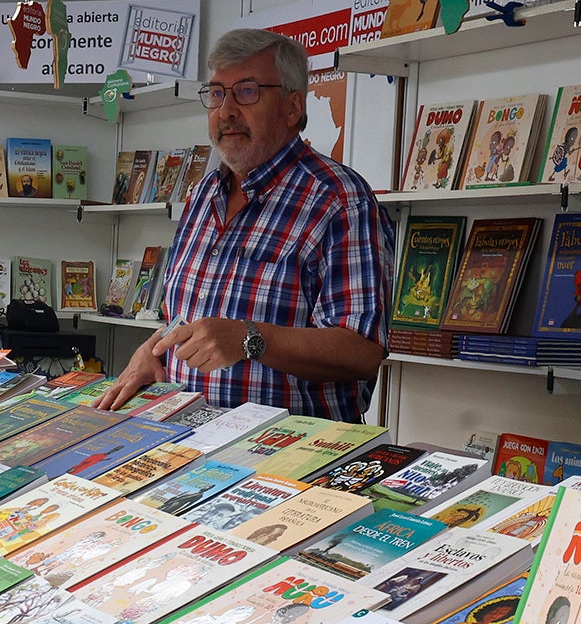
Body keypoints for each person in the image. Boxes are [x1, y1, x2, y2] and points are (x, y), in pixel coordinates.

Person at [94, 29, 392, 422]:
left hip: (284, 458)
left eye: (247, 91)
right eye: (217, 93)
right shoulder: (202, 194)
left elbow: (363, 352)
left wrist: (252, 339)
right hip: (184, 443)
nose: (227, 110)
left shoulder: (338, 200)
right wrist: (151, 351)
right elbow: (189, 318)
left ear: (292, 107)